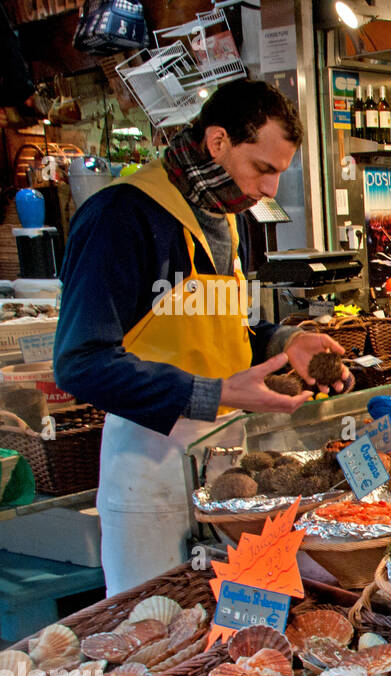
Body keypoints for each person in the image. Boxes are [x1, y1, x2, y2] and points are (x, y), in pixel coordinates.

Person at [53, 80, 351, 595]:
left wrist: (284, 342)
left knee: (238, 628)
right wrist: (213, 394)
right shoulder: (119, 217)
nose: (270, 189)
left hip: (227, 467)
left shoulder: (225, 221)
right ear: (217, 143)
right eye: (264, 169)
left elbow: (231, 325)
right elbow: (80, 363)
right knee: (155, 627)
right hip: (150, 470)